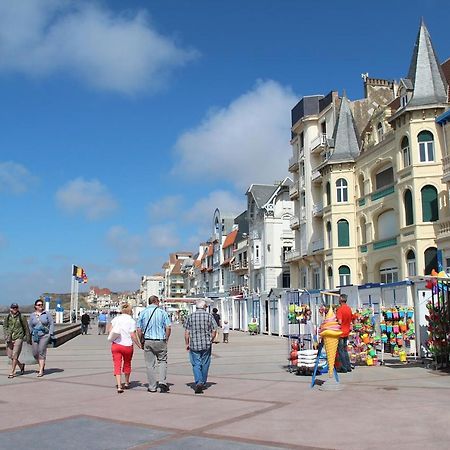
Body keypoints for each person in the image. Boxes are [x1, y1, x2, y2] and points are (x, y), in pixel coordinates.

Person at [137, 296, 171, 393]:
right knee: (162, 361)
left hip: (148, 340)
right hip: (161, 340)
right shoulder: (162, 312)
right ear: (156, 301)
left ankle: (152, 386)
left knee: (150, 364)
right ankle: (162, 382)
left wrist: (141, 341)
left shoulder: (143, 313)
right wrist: (166, 338)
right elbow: (168, 327)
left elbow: (139, 329)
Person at [184, 299, 218, 394]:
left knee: (196, 363)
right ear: (204, 307)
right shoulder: (209, 316)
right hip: (206, 344)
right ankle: (202, 381)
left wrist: (187, 343)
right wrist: (211, 339)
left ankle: (198, 382)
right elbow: (214, 329)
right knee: (205, 363)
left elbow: (186, 332)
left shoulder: (190, 316)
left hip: (194, 344)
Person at [109, 303, 141, 393]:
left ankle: (119, 385)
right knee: (127, 363)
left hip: (116, 345)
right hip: (127, 345)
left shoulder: (116, 319)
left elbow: (110, 330)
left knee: (117, 364)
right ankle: (126, 382)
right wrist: (139, 344)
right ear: (130, 311)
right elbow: (133, 335)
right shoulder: (131, 321)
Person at [28, 299, 55, 377]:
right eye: (39, 305)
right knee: (35, 353)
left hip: (44, 335)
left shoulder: (46, 313)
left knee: (41, 351)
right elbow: (30, 326)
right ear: (35, 306)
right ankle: (42, 364)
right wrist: (28, 335)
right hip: (35, 335)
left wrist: (50, 333)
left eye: (41, 305)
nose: (40, 306)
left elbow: (51, 323)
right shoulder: (32, 315)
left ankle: (40, 370)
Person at [3, 303, 31, 378]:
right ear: (10, 308)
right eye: (13, 307)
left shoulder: (21, 317)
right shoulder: (7, 317)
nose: (15, 309)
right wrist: (7, 335)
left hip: (19, 337)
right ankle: (21, 366)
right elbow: (5, 327)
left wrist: (28, 338)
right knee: (10, 355)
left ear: (18, 308)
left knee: (15, 355)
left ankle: (12, 372)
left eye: (16, 307)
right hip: (9, 338)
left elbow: (26, 328)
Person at [336, 293, 353, 373]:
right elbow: (352, 318)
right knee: (345, 350)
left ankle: (343, 367)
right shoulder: (349, 309)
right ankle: (348, 366)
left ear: (341, 299)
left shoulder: (340, 309)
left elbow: (339, 321)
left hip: (340, 332)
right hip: (347, 331)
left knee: (341, 350)